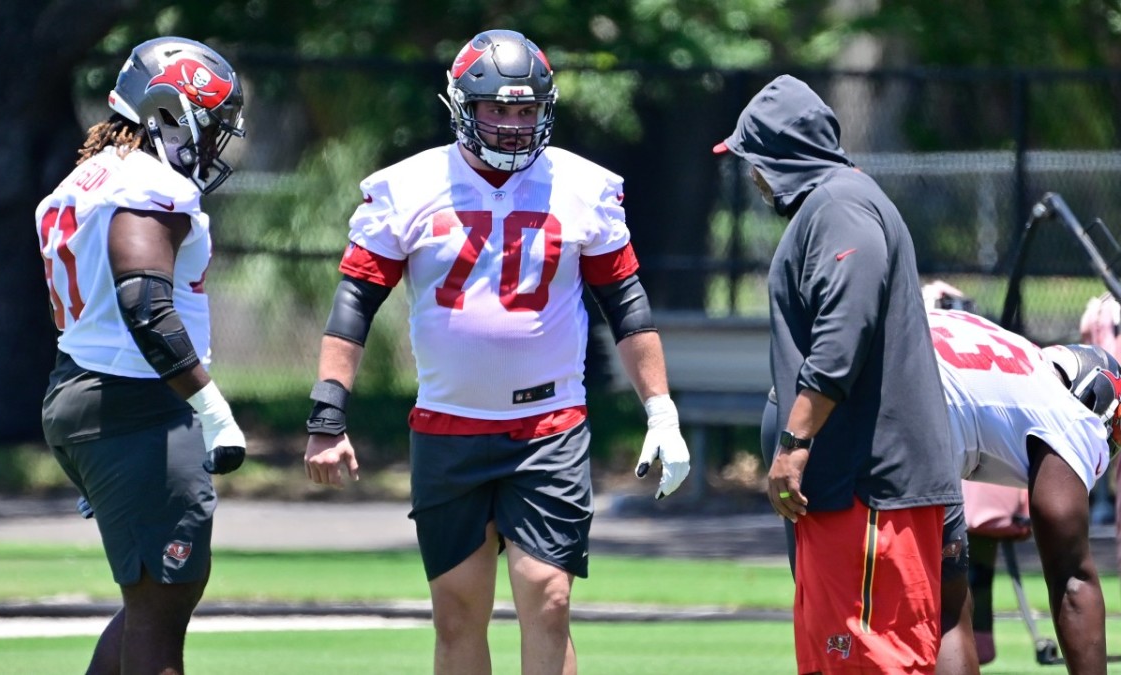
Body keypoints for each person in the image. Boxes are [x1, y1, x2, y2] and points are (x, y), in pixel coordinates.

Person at [303, 28, 691, 675]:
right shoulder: (407, 186)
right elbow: (355, 303)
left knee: (549, 595)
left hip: (549, 424)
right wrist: (326, 414)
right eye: (496, 109)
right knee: (457, 613)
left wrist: (662, 412)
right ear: (461, 105)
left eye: (524, 109)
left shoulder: (583, 185)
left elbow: (626, 305)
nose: (512, 125)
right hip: (449, 423)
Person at [714, 74, 963, 674]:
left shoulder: (840, 205)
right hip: (847, 493)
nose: (752, 175)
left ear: (780, 155)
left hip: (869, 488)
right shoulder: (833, 205)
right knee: (837, 661)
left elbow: (842, 333)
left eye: (754, 159)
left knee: (872, 661)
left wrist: (793, 443)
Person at [36, 36, 248, 674]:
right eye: (207, 127)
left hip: (81, 392)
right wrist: (212, 409)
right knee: (164, 602)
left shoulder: (85, 178)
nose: (212, 145)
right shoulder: (149, 183)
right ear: (163, 112)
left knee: (150, 599)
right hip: (134, 405)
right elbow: (145, 302)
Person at [927, 308, 1117, 674]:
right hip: (915, 419)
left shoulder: (1011, 348)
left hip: (828, 384)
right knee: (945, 607)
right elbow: (1072, 578)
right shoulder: (1069, 413)